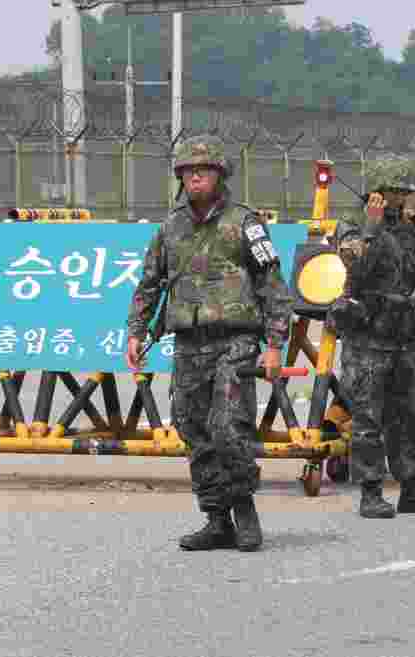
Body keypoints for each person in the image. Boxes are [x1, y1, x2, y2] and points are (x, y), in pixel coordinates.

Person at [126, 134, 296, 552]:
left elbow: (272, 286)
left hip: (235, 341)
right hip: (188, 343)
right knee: (193, 428)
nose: (194, 177)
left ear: (220, 175)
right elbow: (149, 283)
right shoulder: (170, 227)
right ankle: (216, 518)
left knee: (228, 429)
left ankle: (243, 508)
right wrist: (136, 331)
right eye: (187, 171)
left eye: (203, 171)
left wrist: (274, 344)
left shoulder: (246, 223)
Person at [330, 154, 415, 519]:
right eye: (393, 193)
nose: (400, 200)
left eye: (404, 193)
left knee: (408, 416)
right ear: (376, 193)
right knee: (368, 417)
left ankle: (412, 487)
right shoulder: (353, 224)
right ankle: (370, 491)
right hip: (367, 336)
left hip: (400, 335)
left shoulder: (405, 227)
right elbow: (355, 263)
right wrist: (371, 226)